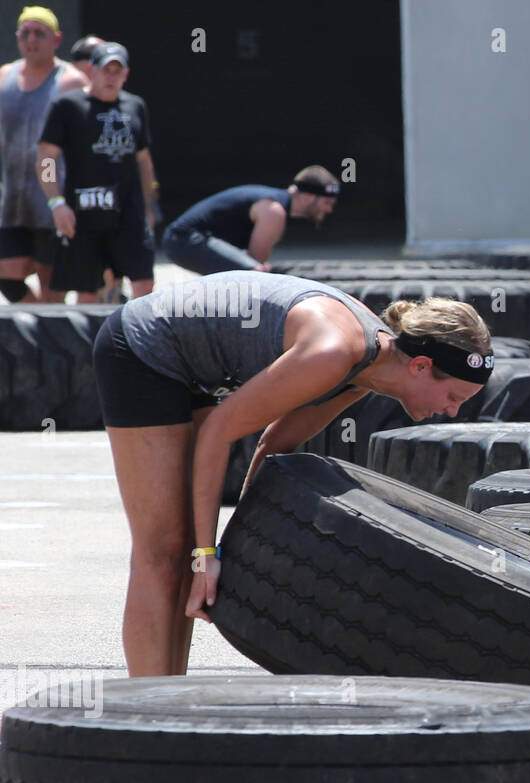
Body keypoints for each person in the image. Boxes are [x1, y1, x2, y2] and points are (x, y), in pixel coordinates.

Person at [92, 273, 493, 676]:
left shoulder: (364, 371)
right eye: (454, 397)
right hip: (143, 347)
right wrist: (207, 554)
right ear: (421, 366)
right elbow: (220, 432)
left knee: (184, 555)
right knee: (164, 551)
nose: (453, 411)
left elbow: (274, 443)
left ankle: (169, 698)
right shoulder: (335, 353)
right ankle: (148, 706)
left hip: (198, 364)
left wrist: (236, 547)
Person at [38, 42, 156, 301]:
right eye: (106, 70)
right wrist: (56, 202)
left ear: (126, 74)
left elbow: (144, 161)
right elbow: (46, 157)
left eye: (118, 71)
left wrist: (149, 206)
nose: (111, 77)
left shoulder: (136, 106)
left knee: (144, 284)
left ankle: (140, 340)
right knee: (87, 292)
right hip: (84, 211)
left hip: (128, 211)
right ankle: (89, 342)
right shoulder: (68, 106)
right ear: (92, 70)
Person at [0, 6, 89, 302]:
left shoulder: (72, 81)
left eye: (40, 33)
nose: (32, 40)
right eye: (25, 33)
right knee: (7, 277)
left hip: (52, 201)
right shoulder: (4, 77)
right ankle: (36, 327)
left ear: (57, 39)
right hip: (11, 201)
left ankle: (48, 344)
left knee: (53, 289)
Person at [162, 166, 340, 274]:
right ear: (309, 197)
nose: (329, 209)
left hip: (185, 238)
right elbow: (256, 264)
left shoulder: (275, 203)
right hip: (184, 239)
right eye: (327, 202)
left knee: (254, 272)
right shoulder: (274, 210)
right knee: (256, 273)